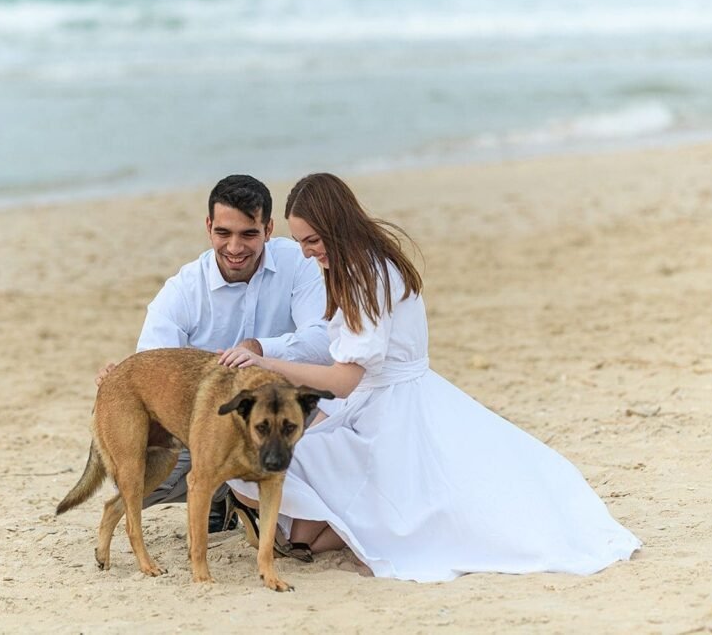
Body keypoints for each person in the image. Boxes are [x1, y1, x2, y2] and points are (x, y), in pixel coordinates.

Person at [219, 172, 641, 582]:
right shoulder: (366, 262)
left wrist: (269, 365)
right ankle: (305, 534)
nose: (308, 253)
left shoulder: (369, 276)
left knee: (266, 465)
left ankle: (302, 532)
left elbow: (344, 379)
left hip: (393, 413)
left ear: (337, 225)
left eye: (313, 240)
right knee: (299, 473)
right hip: (388, 401)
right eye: (299, 243)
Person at [95, 174, 334, 536]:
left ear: (268, 228)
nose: (235, 247)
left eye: (248, 234)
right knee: (141, 481)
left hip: (279, 413)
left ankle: (251, 501)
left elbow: (323, 342)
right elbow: (151, 367)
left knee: (327, 441)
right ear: (208, 227)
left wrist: (260, 350)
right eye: (224, 233)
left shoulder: (297, 265)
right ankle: (222, 495)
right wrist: (120, 381)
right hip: (205, 429)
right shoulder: (184, 289)